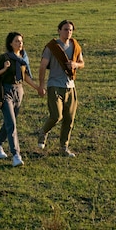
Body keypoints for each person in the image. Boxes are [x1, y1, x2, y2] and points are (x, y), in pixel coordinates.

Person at [0, 31, 39, 167]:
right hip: (6, 91)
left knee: (10, 122)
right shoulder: (4, 58)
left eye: (21, 41)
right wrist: (4, 69)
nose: (20, 43)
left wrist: (37, 88)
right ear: (10, 43)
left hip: (19, 91)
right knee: (12, 123)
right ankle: (16, 155)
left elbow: (25, 77)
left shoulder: (23, 58)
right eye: (17, 41)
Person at [37, 19, 84, 157]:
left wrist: (75, 65)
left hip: (70, 86)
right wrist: (41, 85)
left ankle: (63, 147)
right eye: (65, 29)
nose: (68, 32)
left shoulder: (75, 45)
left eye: (70, 30)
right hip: (54, 85)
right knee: (56, 116)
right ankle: (43, 132)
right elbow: (42, 66)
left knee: (69, 118)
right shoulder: (52, 47)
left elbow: (82, 63)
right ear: (59, 30)